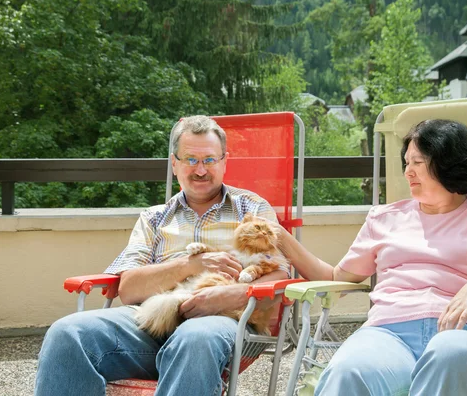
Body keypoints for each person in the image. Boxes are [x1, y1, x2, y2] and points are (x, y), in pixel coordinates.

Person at [269, 119, 467, 396]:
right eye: (406, 162)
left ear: (449, 164)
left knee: (450, 354)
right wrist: (281, 238)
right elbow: (338, 278)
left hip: (466, 334)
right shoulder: (385, 219)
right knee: (348, 370)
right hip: (388, 335)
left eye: (418, 161)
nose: (407, 172)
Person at [34, 115, 289, 396]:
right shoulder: (154, 218)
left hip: (219, 321)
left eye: (209, 160)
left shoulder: (251, 208)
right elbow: (129, 290)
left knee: (194, 339)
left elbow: (278, 274)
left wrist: (228, 296)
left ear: (224, 162)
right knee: (67, 333)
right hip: (149, 322)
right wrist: (190, 265)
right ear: (174, 163)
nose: (201, 170)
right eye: (191, 160)